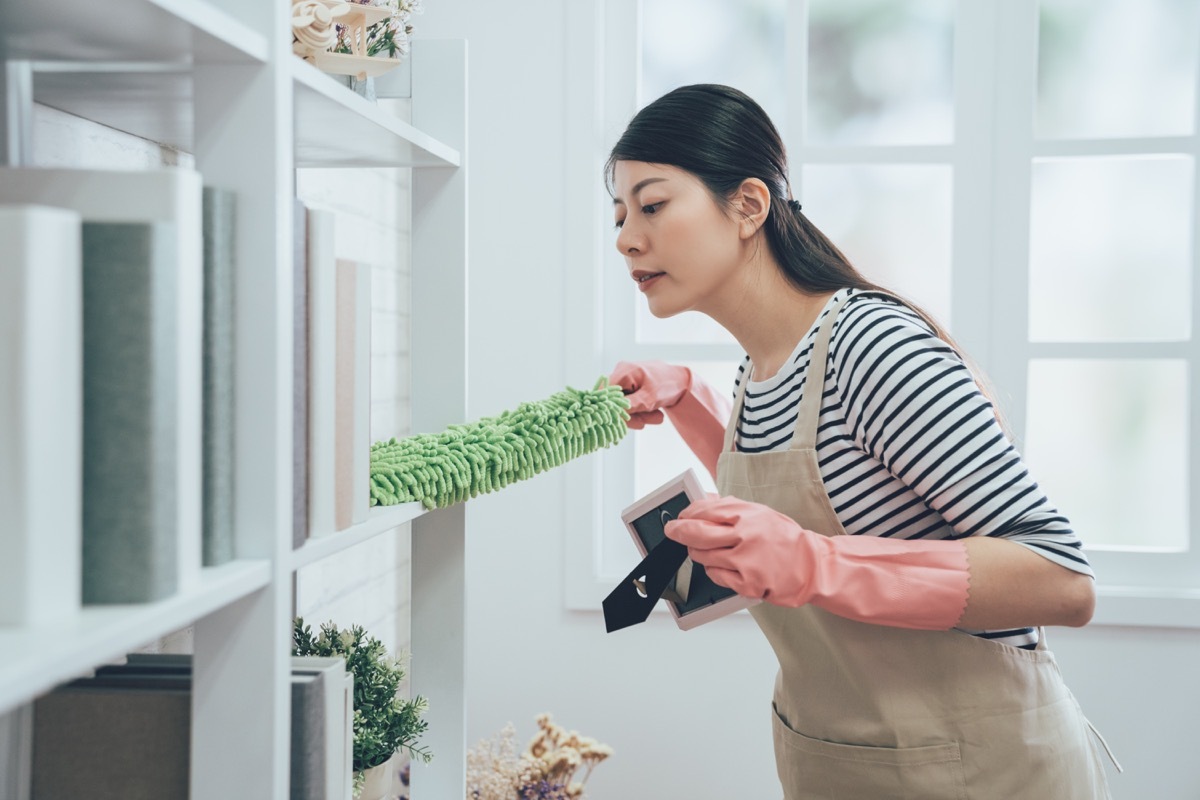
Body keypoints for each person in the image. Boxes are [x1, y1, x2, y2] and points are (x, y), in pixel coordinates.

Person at [605, 84, 1118, 799]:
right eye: (620, 213)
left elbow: (1062, 580)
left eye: (652, 204)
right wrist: (687, 397)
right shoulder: (761, 365)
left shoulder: (869, 346)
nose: (627, 237)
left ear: (749, 205)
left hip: (982, 774)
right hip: (846, 766)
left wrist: (813, 563)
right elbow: (836, 489)